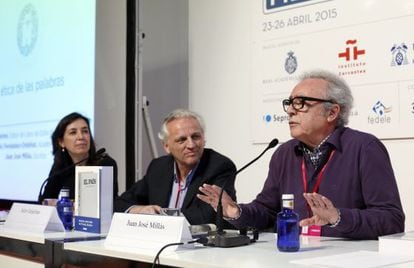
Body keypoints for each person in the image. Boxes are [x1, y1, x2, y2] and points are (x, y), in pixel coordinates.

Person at [198, 70, 405, 239]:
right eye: (290, 103)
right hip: (292, 256)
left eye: (301, 103)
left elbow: (391, 219)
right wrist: (235, 211)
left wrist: (338, 217)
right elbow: (268, 211)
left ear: (332, 112)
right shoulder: (284, 153)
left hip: (345, 259)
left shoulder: (364, 148)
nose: (290, 111)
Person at [115, 109, 237, 225]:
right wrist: (138, 210)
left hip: (200, 244)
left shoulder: (219, 167)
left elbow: (209, 215)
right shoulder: (158, 167)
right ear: (166, 146)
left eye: (196, 137)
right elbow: (121, 202)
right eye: (182, 140)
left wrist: (160, 218)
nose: (191, 144)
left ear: (204, 139)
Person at [40, 112, 118, 202]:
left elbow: (105, 203)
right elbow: (46, 200)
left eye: (85, 131)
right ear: (61, 142)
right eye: (73, 132)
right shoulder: (61, 167)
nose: (81, 137)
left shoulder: (105, 163)